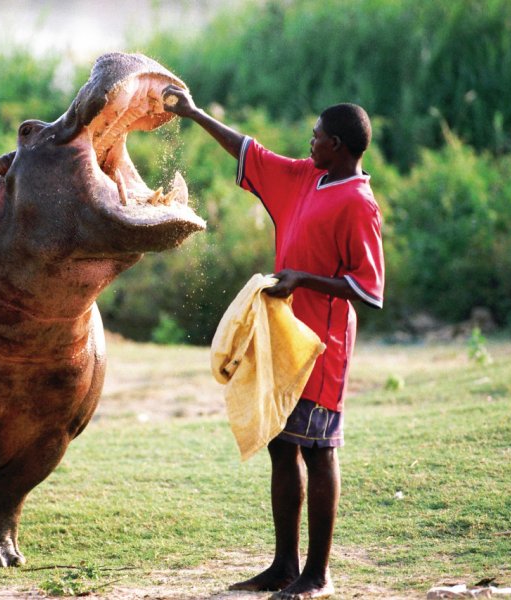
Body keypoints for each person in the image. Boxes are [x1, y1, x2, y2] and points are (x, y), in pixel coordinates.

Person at [163, 85, 385, 600]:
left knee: (320, 452)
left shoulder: (358, 204)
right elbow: (250, 152)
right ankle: (284, 566)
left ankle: (319, 574)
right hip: (280, 339)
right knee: (283, 449)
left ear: (338, 145)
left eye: (317, 136)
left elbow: (368, 288)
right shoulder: (308, 177)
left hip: (320, 346)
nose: (309, 141)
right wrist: (195, 113)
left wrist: (303, 279)